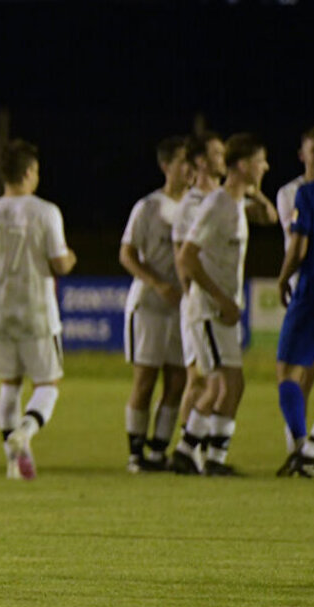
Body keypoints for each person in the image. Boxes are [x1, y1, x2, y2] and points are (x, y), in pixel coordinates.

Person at [0, 139, 76, 480]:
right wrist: (71, 257)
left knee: (9, 384)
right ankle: (24, 431)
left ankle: (13, 462)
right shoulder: (46, 211)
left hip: (2, 314)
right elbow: (59, 264)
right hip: (38, 313)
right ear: (28, 172)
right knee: (48, 384)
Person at [175, 133, 275, 476]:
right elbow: (187, 257)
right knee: (224, 383)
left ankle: (192, 452)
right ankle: (201, 456)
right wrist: (220, 299)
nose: (266, 166)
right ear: (244, 166)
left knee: (229, 383)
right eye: (261, 161)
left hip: (223, 310)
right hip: (210, 310)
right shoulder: (217, 205)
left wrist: (253, 189)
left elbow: (271, 217)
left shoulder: (234, 204)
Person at [118, 137, 189, 473]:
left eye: (193, 162)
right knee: (145, 379)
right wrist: (158, 283)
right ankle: (136, 454)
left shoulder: (197, 206)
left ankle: (158, 451)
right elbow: (127, 254)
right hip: (149, 305)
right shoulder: (147, 207)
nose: (189, 168)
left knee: (178, 380)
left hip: (182, 306)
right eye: (182, 161)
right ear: (166, 166)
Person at [168, 132, 225, 473]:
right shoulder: (190, 205)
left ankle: (194, 449)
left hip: (215, 301)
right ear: (201, 161)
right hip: (199, 302)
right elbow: (181, 257)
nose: (225, 158)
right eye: (218, 153)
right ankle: (187, 450)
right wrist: (192, 295)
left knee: (210, 378)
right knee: (199, 379)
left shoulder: (221, 199)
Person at [274, 126, 314, 455]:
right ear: (302, 155)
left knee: (288, 368)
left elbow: (297, 248)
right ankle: (300, 447)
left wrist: (282, 278)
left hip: (310, 287)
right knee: (304, 370)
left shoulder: (306, 194)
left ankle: (305, 447)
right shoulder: (289, 192)